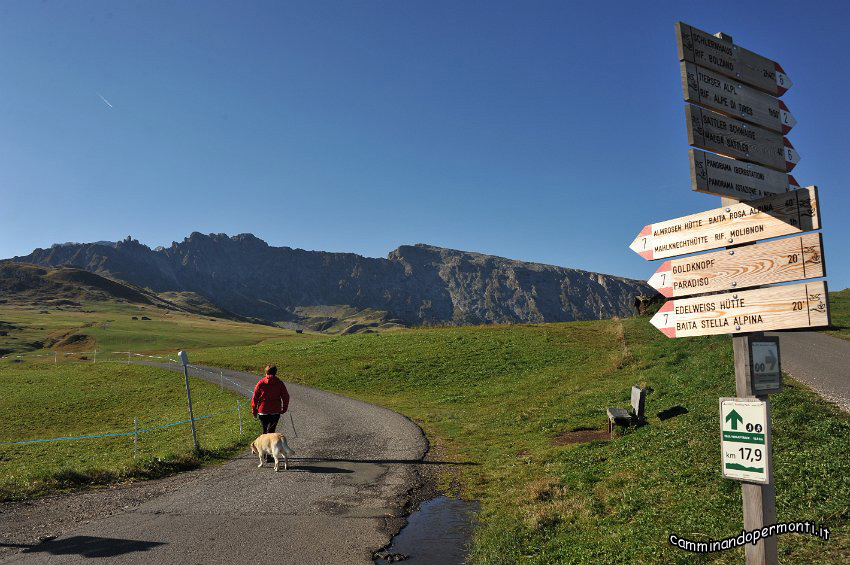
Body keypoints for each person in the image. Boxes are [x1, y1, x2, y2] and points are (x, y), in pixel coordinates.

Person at [251, 365, 290, 437]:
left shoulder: (261, 383)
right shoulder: (279, 383)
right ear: (275, 372)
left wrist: (254, 410)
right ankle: (270, 446)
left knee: (265, 431)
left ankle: (264, 446)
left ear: (266, 372)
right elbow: (286, 397)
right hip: (275, 410)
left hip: (263, 410)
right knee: (271, 431)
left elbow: (255, 397)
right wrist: (284, 408)